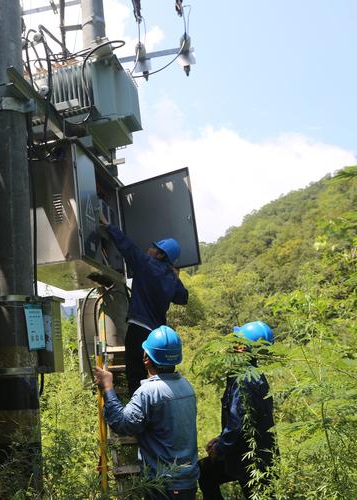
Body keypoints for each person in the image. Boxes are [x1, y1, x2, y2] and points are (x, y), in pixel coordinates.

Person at [94, 325, 199, 499]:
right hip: (188, 482)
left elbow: (123, 424)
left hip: (163, 486)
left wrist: (108, 386)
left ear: (146, 359)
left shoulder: (149, 391)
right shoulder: (187, 387)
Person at [100, 213, 189, 395]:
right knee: (154, 378)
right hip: (156, 337)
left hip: (138, 331)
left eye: (153, 248)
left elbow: (127, 246)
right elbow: (183, 297)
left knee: (135, 378)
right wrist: (176, 278)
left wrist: (108, 226)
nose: (149, 249)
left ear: (161, 254)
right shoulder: (171, 279)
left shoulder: (146, 264)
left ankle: (138, 415)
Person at [198, 321, 277, 500]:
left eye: (236, 341)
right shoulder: (250, 375)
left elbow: (237, 423)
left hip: (252, 460)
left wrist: (221, 446)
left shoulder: (245, 381)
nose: (231, 345)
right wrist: (221, 439)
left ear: (243, 348)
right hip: (244, 453)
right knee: (205, 471)